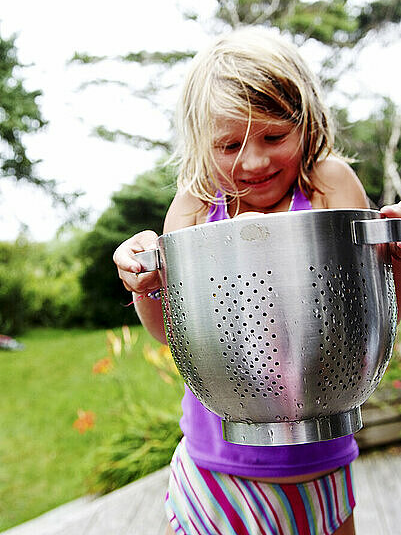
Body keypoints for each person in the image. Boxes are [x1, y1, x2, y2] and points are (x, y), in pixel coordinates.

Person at [113, 27, 401, 535]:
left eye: (273, 136)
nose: (254, 161)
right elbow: (172, 332)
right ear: (202, 144)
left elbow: (367, 303)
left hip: (321, 461)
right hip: (216, 464)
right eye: (229, 145)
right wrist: (145, 283)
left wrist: (396, 259)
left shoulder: (327, 183)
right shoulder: (196, 204)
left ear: (306, 122)